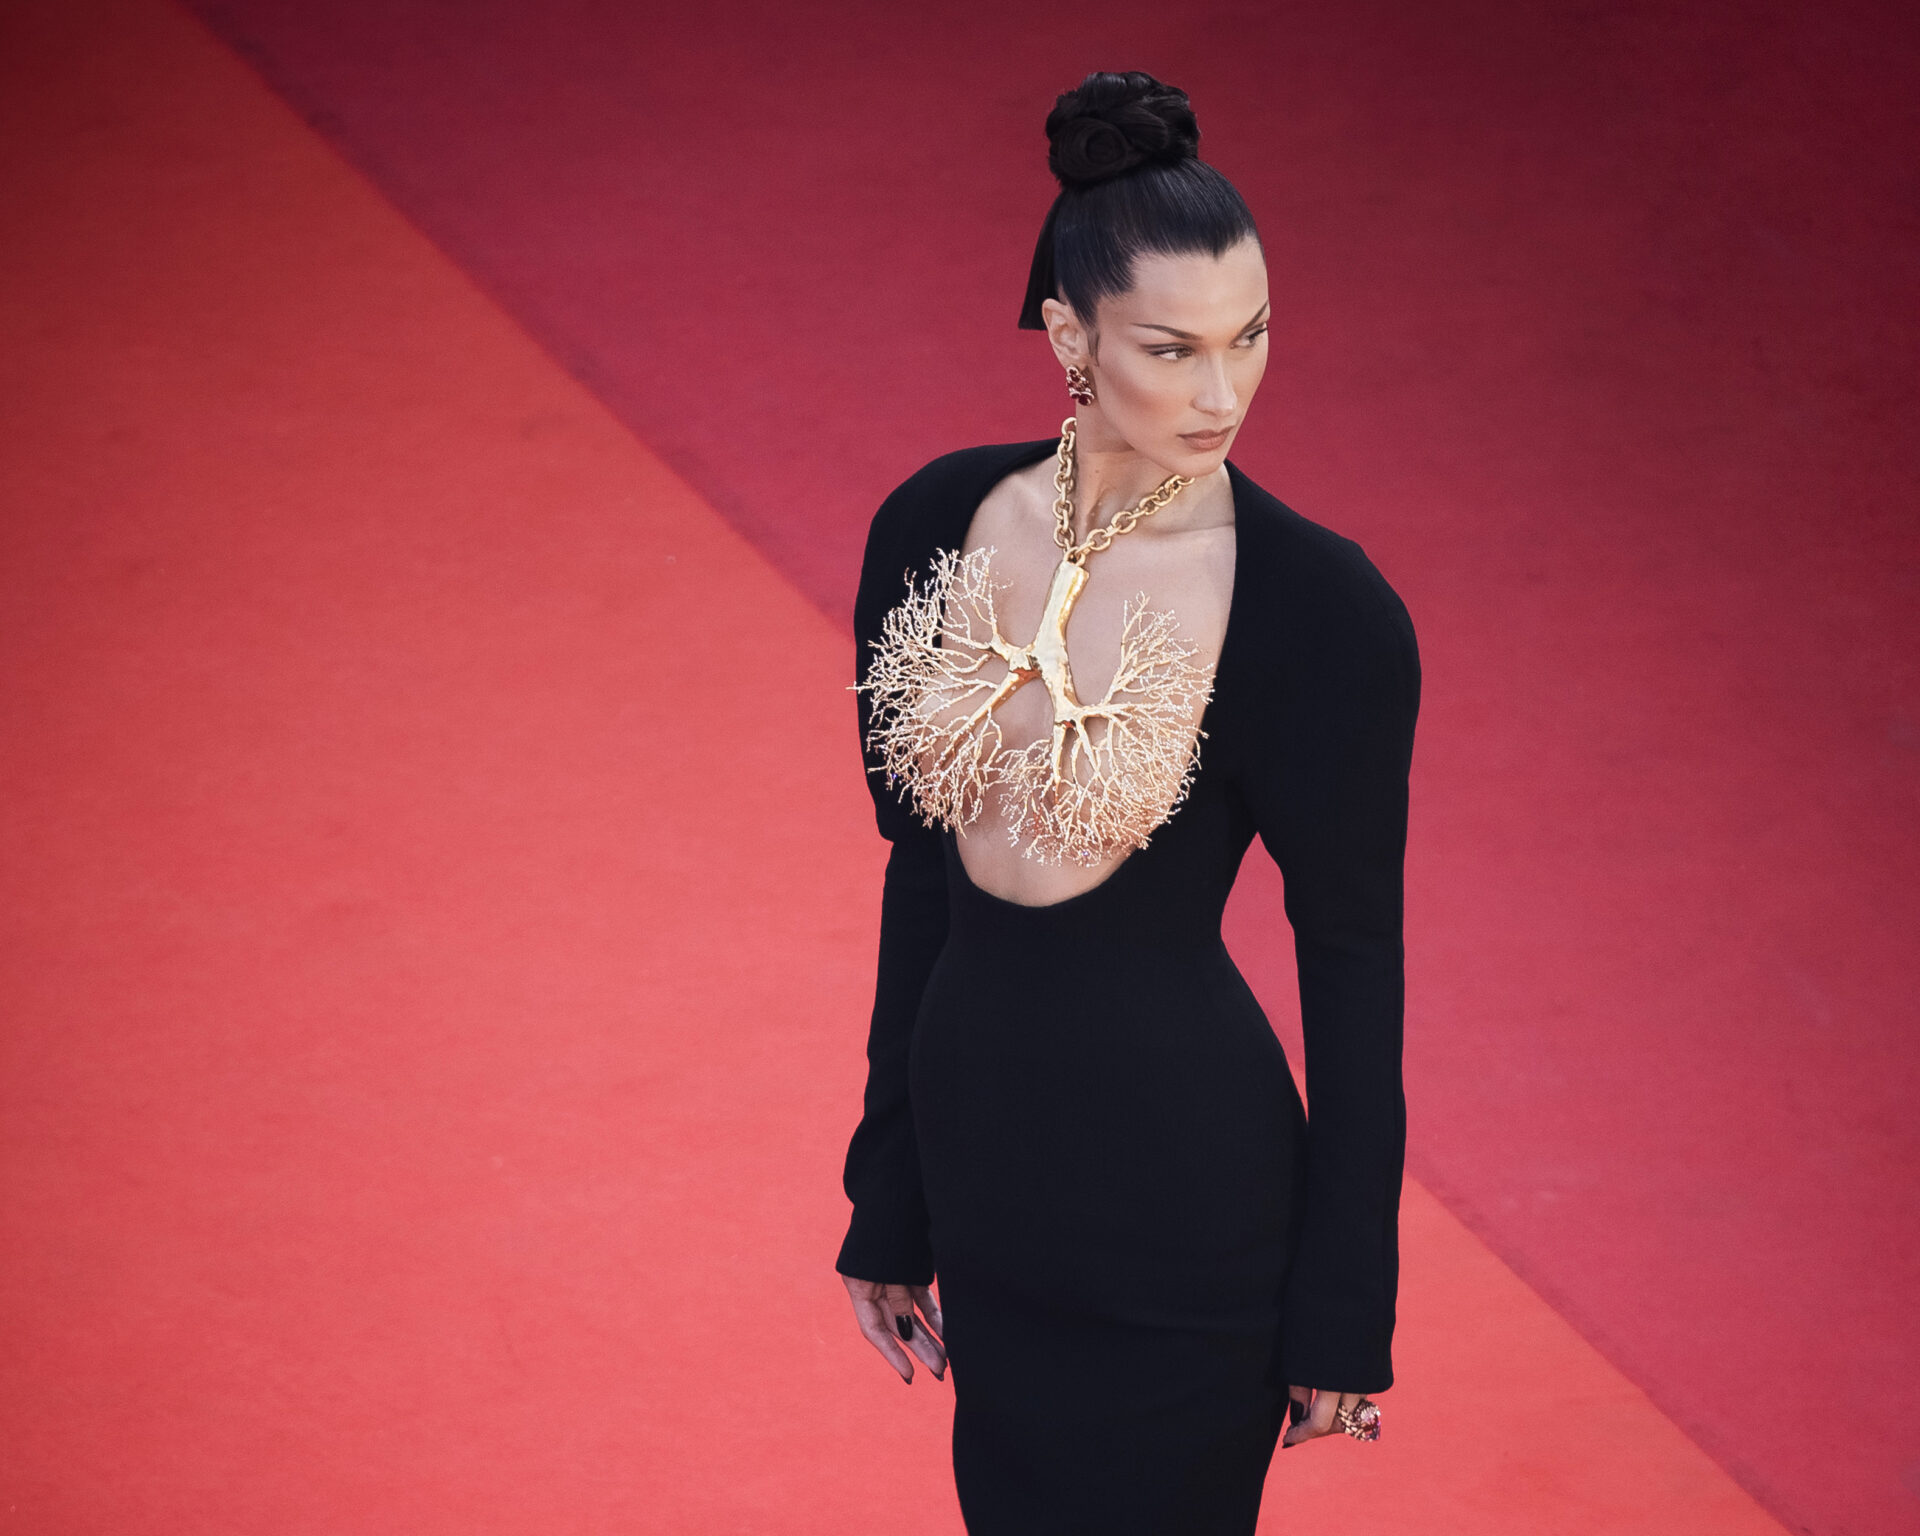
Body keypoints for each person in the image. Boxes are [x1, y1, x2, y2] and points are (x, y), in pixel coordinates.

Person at [833, 68, 1420, 1535]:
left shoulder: (1322, 610)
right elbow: (922, 883)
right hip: (988, 1185)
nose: (1225, 394)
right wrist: (888, 1197)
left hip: (1189, 1218)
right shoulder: (932, 525)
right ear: (1069, 337)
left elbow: (1355, 960)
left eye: (1251, 337)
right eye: (1173, 348)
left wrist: (1345, 1309)